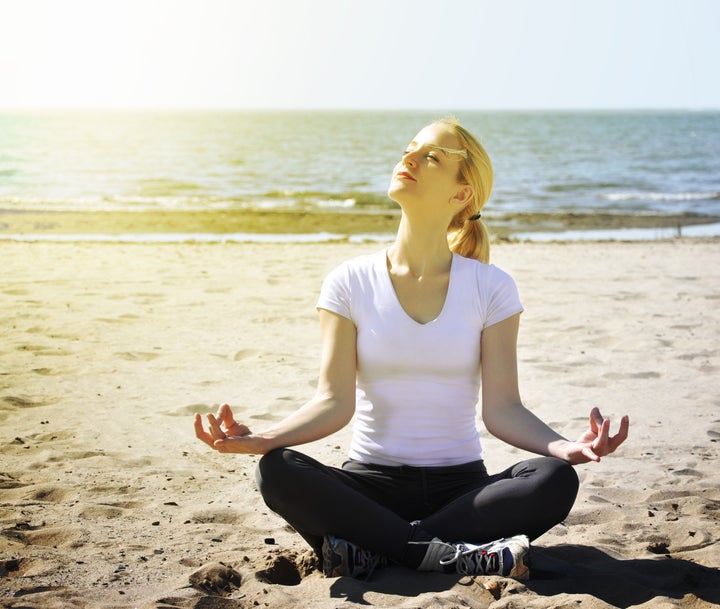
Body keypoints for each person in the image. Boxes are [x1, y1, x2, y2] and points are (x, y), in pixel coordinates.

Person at [194, 116, 629, 580]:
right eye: (410, 148)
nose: (409, 158)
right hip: (368, 485)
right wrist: (264, 439)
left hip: (462, 492)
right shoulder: (349, 282)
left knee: (554, 478)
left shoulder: (491, 287)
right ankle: (449, 554)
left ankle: (382, 548)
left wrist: (564, 447)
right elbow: (333, 402)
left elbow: (503, 409)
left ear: (461, 194)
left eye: (431, 157)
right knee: (278, 469)